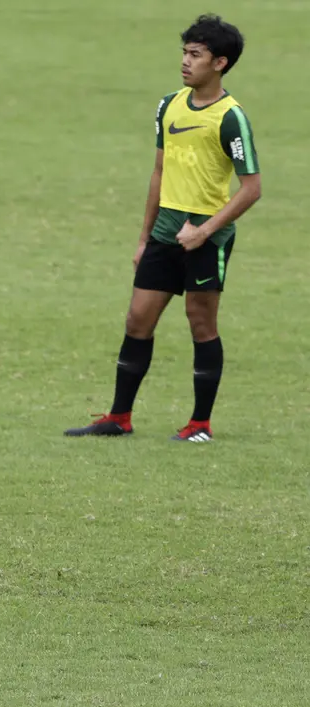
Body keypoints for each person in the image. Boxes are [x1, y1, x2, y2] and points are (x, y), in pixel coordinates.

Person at [66, 14, 260, 442]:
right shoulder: (168, 105)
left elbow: (251, 189)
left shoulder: (231, 118)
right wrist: (143, 238)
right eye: (184, 53)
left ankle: (200, 425)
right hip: (165, 232)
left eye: (196, 55)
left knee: (201, 324)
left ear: (220, 63)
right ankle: (119, 417)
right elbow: (158, 172)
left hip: (206, 238)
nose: (185, 62)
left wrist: (204, 232)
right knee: (138, 319)